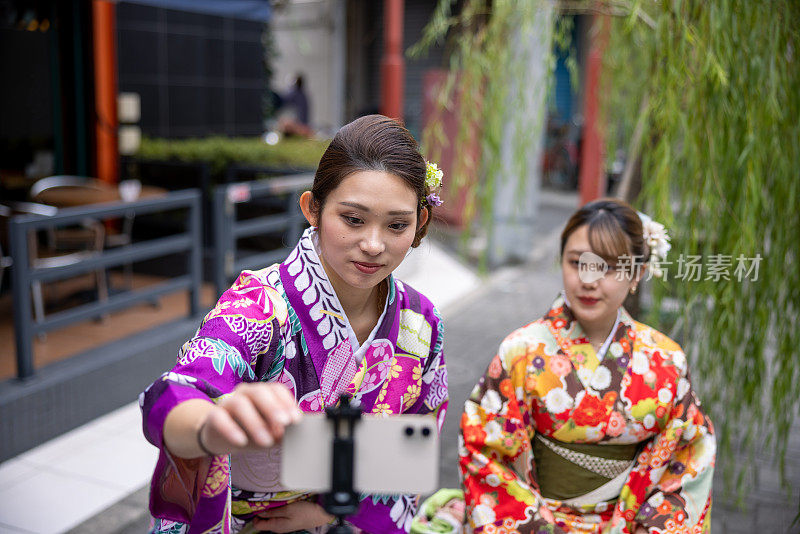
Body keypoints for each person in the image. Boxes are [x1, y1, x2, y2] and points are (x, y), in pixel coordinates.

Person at [140, 115, 449, 534]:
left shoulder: (420, 321)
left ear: (420, 225)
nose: (374, 245)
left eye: (397, 225)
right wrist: (209, 426)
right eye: (354, 219)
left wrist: (332, 512)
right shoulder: (258, 306)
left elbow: (412, 447)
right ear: (312, 209)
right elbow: (183, 391)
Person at [459, 198, 715, 533]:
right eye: (577, 261)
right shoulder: (521, 351)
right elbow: (484, 450)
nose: (588, 280)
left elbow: (688, 454)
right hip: (537, 524)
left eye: (608, 266)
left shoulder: (666, 359)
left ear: (637, 273)